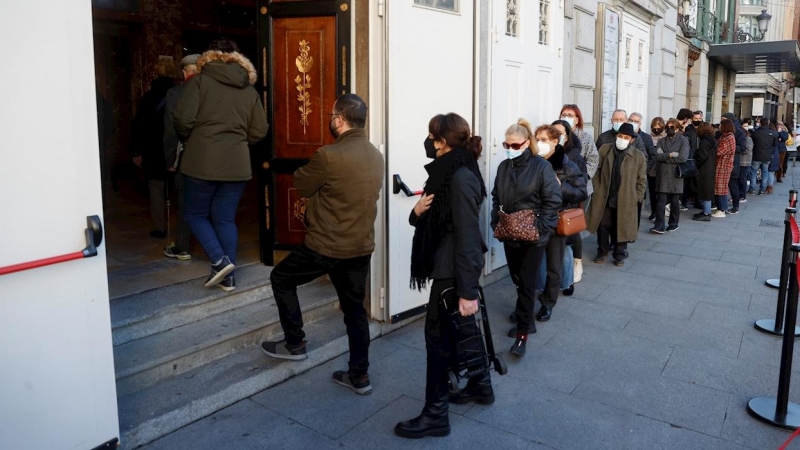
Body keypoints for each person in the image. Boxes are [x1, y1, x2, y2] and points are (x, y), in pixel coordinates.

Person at [262, 94, 384, 397]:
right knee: (355, 312)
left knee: (281, 278)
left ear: (340, 120)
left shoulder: (328, 155)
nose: (330, 119)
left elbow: (302, 184)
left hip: (326, 246)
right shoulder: (375, 155)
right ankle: (360, 375)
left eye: (331, 115)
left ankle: (295, 343)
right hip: (360, 247)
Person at [394, 113, 487, 439]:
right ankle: (481, 385)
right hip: (449, 268)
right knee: (459, 331)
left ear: (443, 141)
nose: (428, 142)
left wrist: (467, 292)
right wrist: (416, 211)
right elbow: (429, 217)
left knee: (437, 341)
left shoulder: (459, 177)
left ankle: (435, 415)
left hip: (452, 273)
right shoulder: (447, 174)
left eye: (432, 137)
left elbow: (466, 236)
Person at [174, 38, 269, 289]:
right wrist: (237, 141)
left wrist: (196, 139)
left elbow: (183, 120)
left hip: (200, 161)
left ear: (210, 56)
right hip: (237, 163)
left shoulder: (200, 82)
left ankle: (219, 260)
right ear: (238, 58)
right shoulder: (249, 90)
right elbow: (259, 131)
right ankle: (229, 278)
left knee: (194, 214)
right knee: (225, 219)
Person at [492, 119, 561, 357]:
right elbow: (495, 197)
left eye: (514, 144)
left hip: (533, 236)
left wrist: (541, 229)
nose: (509, 148)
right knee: (518, 278)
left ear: (526, 143)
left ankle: (523, 333)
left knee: (527, 282)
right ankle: (526, 317)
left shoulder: (541, 167)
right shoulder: (503, 167)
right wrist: (496, 220)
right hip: (510, 233)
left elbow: (553, 201)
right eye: (506, 144)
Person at [529, 124, 587, 305]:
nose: (539, 144)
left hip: (556, 219)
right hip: (534, 220)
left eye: (544, 140)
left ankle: (548, 302)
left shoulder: (566, 164)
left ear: (555, 141)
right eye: (537, 140)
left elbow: (581, 192)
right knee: (534, 262)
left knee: (555, 263)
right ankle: (534, 293)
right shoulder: (531, 162)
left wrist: (561, 187)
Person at [586, 123, 647, 267]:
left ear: (631, 140)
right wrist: (597, 186)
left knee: (622, 225)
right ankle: (602, 250)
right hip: (605, 195)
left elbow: (641, 180)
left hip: (626, 198)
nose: (622, 139)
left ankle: (619, 254)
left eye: (626, 137)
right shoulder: (605, 149)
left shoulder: (638, 156)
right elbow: (596, 169)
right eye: (620, 136)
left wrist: (636, 196)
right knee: (603, 225)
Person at [131, 59, 177, 239]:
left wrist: (136, 150)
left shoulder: (148, 97)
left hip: (152, 150)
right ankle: (180, 230)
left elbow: (138, 125)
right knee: (178, 191)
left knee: (156, 190)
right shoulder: (180, 94)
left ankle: (160, 228)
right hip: (174, 149)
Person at [162, 54, 201, 261]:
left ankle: (183, 247)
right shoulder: (213, 91)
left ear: (184, 72)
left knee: (186, 202)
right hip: (214, 156)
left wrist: (171, 160)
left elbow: (170, 130)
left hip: (186, 155)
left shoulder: (175, 93)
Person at [558, 104, 598, 284]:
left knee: (574, 225)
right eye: (564, 114)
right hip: (559, 190)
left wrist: (583, 177)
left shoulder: (585, 138)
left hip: (579, 188)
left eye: (570, 115)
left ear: (577, 119)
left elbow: (593, 159)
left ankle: (577, 261)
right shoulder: (556, 134)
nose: (566, 117)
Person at [650, 119, 689, 234]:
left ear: (677, 129)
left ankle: (673, 223)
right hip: (662, 174)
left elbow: (682, 158)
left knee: (675, 201)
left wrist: (665, 157)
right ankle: (659, 225)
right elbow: (657, 155)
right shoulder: (662, 140)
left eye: (672, 127)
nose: (669, 129)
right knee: (661, 201)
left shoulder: (683, 140)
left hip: (676, 174)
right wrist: (671, 155)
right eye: (668, 127)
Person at [628, 112, 655, 225]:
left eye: (636, 121)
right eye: (631, 120)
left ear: (640, 124)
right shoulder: (622, 134)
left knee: (637, 204)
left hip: (638, 176)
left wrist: (644, 171)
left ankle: (634, 228)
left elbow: (652, 156)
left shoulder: (646, 137)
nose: (633, 123)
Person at [722, 112, 747, 213]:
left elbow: (742, 148)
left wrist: (729, 148)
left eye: (723, 119)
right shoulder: (722, 131)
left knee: (733, 184)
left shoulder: (739, 132)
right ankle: (720, 205)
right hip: (722, 162)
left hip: (732, 162)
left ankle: (735, 206)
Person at [692, 123, 717, 221]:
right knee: (707, 190)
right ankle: (706, 211)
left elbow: (702, 156)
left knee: (705, 191)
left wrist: (696, 162)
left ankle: (706, 212)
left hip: (704, 169)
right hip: (710, 168)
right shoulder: (712, 140)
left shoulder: (704, 141)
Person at [713, 119, 736, 217]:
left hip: (723, 166)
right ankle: (721, 208)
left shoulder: (729, 138)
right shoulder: (724, 136)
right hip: (721, 165)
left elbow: (719, 151)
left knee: (720, 188)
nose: (719, 127)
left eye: (721, 125)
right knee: (719, 188)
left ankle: (722, 209)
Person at [647, 117, 667, 220]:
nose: (656, 129)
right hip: (652, 169)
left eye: (659, 128)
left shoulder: (666, 137)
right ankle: (654, 211)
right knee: (652, 191)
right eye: (654, 128)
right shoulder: (649, 137)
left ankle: (661, 212)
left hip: (663, 169)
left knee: (661, 193)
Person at [750, 118, 776, 195]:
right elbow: (774, 145)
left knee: (753, 172)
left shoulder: (755, 133)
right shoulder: (772, 133)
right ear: (768, 123)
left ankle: (752, 188)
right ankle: (762, 189)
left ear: (760, 123)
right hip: (767, 156)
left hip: (757, 155)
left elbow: (752, 143)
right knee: (765, 172)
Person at [739, 127, 754, 204]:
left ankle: (743, 195)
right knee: (738, 179)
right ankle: (738, 195)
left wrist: (738, 150)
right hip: (739, 161)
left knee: (742, 179)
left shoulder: (748, 139)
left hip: (745, 162)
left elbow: (748, 150)